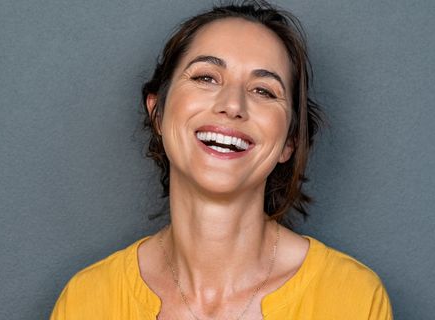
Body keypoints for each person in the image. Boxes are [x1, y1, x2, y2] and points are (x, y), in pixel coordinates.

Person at [50, 1, 392, 319]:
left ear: (289, 141)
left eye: (263, 91)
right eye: (205, 78)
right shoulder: (86, 301)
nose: (232, 104)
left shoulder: (354, 300)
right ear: (157, 112)